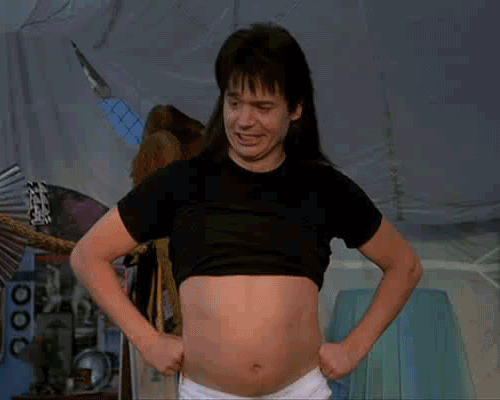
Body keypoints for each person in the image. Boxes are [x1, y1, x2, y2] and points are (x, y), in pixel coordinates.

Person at [70, 22, 423, 400]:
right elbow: (88, 255)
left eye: (262, 107)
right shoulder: (181, 181)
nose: (244, 121)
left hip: (300, 391)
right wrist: (147, 340)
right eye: (234, 102)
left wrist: (353, 347)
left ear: (296, 108)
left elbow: (404, 266)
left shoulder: (324, 187)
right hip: (206, 394)